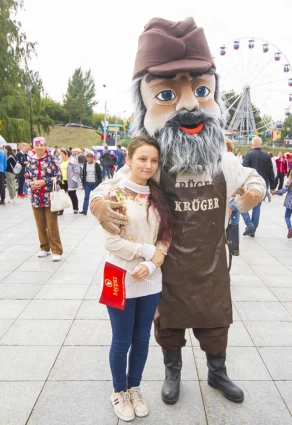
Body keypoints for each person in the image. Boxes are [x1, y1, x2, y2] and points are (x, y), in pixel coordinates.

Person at [90, 17, 266, 406]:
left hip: (211, 265)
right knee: (167, 325)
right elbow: (108, 186)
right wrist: (100, 204)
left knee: (215, 322)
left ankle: (217, 372)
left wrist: (253, 193)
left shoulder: (221, 161)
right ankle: (173, 372)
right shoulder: (152, 161)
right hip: (163, 265)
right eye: (167, 94)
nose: (188, 103)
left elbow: (253, 178)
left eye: (202, 90)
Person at [103, 136, 171, 422]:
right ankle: (119, 391)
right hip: (119, 274)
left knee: (142, 338)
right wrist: (147, 253)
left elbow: (167, 235)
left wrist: (155, 263)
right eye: (142, 158)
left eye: (154, 160)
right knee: (122, 340)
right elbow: (112, 242)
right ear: (128, 159)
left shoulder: (158, 194)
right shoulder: (113, 192)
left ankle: (135, 387)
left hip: (151, 278)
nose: (148, 165)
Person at [25, 137, 63, 261]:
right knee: (40, 224)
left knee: (52, 224)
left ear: (46, 146)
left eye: (42, 145)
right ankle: (44, 247)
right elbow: (26, 177)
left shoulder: (52, 159)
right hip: (36, 197)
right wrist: (31, 183)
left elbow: (58, 177)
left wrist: (43, 182)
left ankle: (56, 250)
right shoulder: (30, 160)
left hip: (50, 197)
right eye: (37, 145)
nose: (40, 147)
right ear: (33, 147)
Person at [241, 136, 274, 237]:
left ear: (252, 144)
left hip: (250, 184)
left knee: (241, 205)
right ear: (261, 144)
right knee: (257, 207)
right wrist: (273, 186)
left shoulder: (248, 155)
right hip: (262, 186)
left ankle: (249, 223)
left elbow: (243, 170)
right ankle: (253, 229)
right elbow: (271, 172)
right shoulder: (267, 156)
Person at [272, 168, 292, 239]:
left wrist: (275, 192)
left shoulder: (290, 181)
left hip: (290, 201)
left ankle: (290, 228)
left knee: (287, 216)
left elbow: (284, 190)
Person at [58, 149, 81, 215]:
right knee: (61, 195)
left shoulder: (73, 161)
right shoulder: (60, 161)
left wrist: (74, 178)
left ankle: (75, 209)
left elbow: (76, 171)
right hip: (62, 181)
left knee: (72, 195)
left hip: (70, 181)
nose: (61, 155)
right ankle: (61, 210)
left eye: (62, 154)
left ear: (66, 154)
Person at [81, 150, 102, 215]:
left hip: (94, 183)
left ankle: (99, 210)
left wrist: (99, 184)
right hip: (87, 183)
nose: (88, 159)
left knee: (97, 197)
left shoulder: (96, 165)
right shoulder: (85, 165)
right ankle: (84, 210)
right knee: (86, 196)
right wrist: (83, 183)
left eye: (90, 157)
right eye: (87, 158)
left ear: (92, 158)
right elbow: (84, 174)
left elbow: (99, 175)